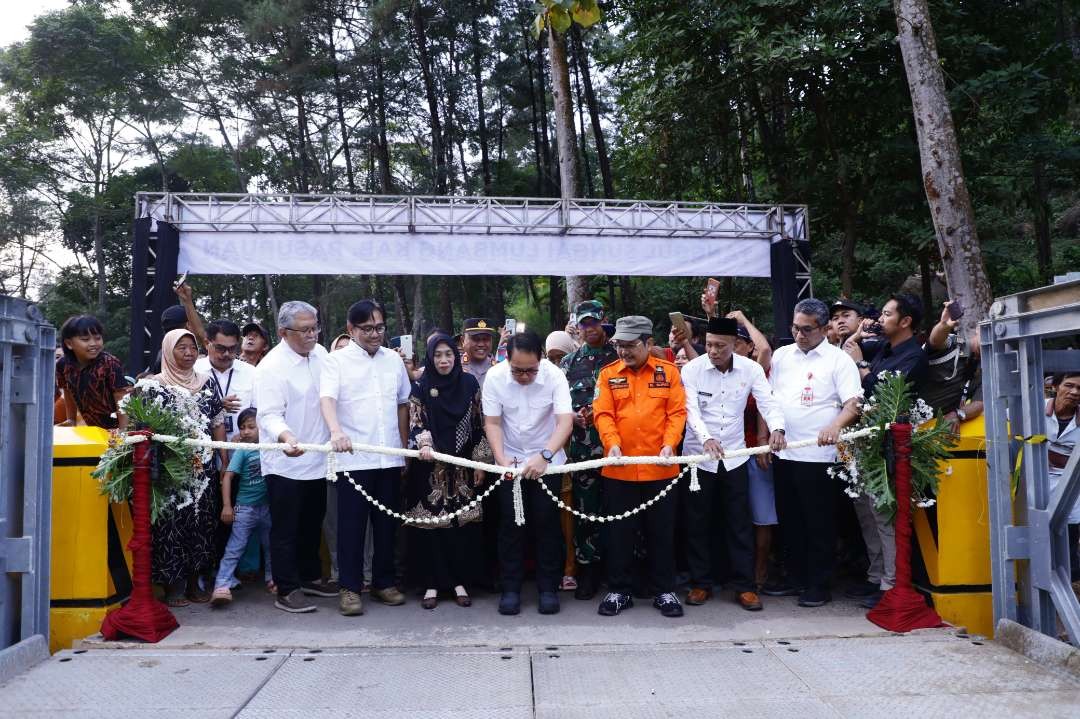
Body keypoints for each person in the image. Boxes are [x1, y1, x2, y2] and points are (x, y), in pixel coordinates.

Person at [681, 317, 787, 611]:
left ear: (735, 346)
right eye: (709, 344)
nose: (713, 351)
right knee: (699, 522)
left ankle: (745, 586)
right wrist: (705, 438)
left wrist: (777, 428)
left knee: (739, 523)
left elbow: (767, 401)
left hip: (735, 457)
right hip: (698, 459)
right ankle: (700, 583)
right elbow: (690, 410)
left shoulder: (750, 369)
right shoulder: (692, 369)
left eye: (721, 346)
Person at [766, 298, 862, 608]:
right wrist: (773, 428)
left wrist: (836, 425)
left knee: (818, 523)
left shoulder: (838, 360)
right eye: (795, 328)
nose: (799, 334)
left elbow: (854, 404)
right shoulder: (782, 356)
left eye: (806, 329)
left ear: (823, 328)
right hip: (785, 452)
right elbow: (771, 400)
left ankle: (819, 584)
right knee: (790, 520)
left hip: (820, 457)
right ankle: (795, 577)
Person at [593, 315, 688, 618]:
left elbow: (676, 413)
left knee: (661, 532)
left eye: (631, 345)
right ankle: (620, 590)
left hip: (661, 469)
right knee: (619, 533)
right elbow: (603, 414)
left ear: (648, 343)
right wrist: (612, 443)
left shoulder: (669, 373)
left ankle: (664, 590)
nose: (623, 351)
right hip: (619, 468)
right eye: (619, 345)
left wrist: (670, 444)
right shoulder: (608, 374)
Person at [322, 299, 412, 616]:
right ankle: (349, 588)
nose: (375, 334)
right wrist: (335, 431)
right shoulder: (336, 362)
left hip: (389, 457)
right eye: (367, 329)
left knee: (387, 525)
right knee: (351, 528)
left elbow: (403, 404)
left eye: (379, 327)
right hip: (353, 459)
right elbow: (327, 400)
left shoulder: (393, 360)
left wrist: (403, 449)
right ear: (351, 329)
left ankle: (383, 583)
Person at [843, 293, 929, 609]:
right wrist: (855, 337)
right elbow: (846, 351)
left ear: (905, 321)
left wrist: (862, 367)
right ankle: (875, 575)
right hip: (862, 444)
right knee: (864, 513)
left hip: (891, 450)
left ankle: (892, 584)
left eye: (887, 314)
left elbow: (884, 391)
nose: (880, 319)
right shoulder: (883, 348)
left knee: (884, 516)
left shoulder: (914, 357)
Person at [482, 330, 574, 616]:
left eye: (530, 371)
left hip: (548, 460)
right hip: (510, 460)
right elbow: (493, 423)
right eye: (517, 370)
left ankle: (548, 588)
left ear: (541, 360)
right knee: (511, 525)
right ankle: (511, 589)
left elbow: (564, 422)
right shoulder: (495, 378)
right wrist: (500, 457)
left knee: (547, 524)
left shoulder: (554, 376)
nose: (524, 376)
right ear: (506, 360)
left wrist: (545, 455)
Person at [255, 300, 336, 614]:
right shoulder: (271, 367)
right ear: (283, 332)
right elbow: (268, 415)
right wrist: (287, 437)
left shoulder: (323, 355)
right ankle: (287, 588)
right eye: (304, 330)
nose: (311, 335)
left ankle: (310, 577)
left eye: (314, 328)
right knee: (286, 527)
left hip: (318, 458)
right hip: (285, 460)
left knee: (311, 522)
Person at [405, 333, 486, 609]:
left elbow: (479, 424)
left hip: (463, 467)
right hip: (430, 467)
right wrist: (424, 442)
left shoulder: (469, 383)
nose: (443, 360)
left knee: (460, 526)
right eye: (438, 355)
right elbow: (416, 422)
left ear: (456, 355)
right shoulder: (421, 385)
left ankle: (460, 582)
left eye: (448, 354)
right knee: (433, 527)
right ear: (429, 357)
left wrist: (479, 461)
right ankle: (431, 583)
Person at [152, 328, 227, 606]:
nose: (188, 353)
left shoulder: (207, 381)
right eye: (180, 348)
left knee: (202, 523)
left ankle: (196, 584)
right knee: (171, 525)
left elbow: (218, 420)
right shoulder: (156, 385)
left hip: (203, 468)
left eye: (192, 348)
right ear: (168, 351)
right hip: (172, 469)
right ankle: (173, 587)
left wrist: (223, 460)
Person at [559, 300, 619, 600]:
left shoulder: (619, 355)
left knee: (621, 510)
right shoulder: (568, 363)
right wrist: (574, 415)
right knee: (586, 513)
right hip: (583, 452)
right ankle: (588, 570)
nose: (590, 328)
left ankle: (623, 568)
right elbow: (558, 405)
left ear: (603, 320)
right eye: (584, 323)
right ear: (577, 326)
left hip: (619, 449)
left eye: (594, 321)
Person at [211, 408, 274, 606]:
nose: (246, 431)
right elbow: (228, 476)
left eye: (251, 427)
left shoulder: (271, 447)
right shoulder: (243, 451)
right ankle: (222, 585)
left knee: (271, 545)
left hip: (268, 507)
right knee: (235, 548)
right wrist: (227, 506)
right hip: (245, 508)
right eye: (242, 427)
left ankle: (273, 579)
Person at [55, 315, 129, 430]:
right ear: (69, 344)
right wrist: (71, 419)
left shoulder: (109, 363)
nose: (93, 343)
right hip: (93, 429)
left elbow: (121, 397)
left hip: (115, 427)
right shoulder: (62, 364)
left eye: (98, 338)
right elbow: (67, 390)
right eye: (85, 339)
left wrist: (124, 431)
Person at [923, 301, 984, 432]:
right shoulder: (955, 344)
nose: (990, 340)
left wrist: (958, 414)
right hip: (910, 419)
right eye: (988, 332)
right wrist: (943, 325)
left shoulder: (986, 370)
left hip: (938, 429)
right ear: (978, 329)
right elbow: (935, 341)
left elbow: (979, 403)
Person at [195, 320, 255, 438]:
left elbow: (260, 412)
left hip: (244, 447)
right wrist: (216, 406)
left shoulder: (251, 372)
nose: (227, 354)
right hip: (204, 447)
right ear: (207, 343)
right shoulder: (194, 371)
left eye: (232, 348)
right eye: (220, 348)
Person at [1047, 373, 1080, 579]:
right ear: (1056, 386)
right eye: (1069, 385)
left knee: (1067, 552)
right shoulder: (1032, 408)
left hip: (1071, 493)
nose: (1075, 392)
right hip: (1034, 489)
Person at [461, 318, 499, 389]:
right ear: (463, 340)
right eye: (475, 339)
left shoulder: (499, 369)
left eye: (486, 339)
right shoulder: (455, 367)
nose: (481, 344)